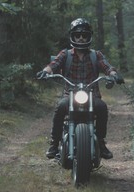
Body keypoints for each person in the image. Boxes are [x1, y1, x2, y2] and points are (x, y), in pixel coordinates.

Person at [36, 18, 124, 160]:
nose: (81, 38)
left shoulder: (96, 55)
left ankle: (100, 142)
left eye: (85, 35)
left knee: (102, 107)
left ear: (89, 37)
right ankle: (54, 143)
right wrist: (45, 71)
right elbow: (53, 64)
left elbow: (107, 67)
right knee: (60, 108)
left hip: (92, 95)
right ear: (72, 36)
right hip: (69, 95)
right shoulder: (66, 54)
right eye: (78, 35)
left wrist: (114, 75)